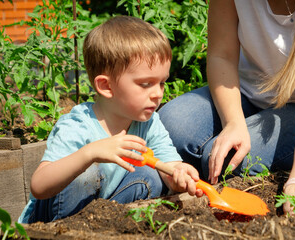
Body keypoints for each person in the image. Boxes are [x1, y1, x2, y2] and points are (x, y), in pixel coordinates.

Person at [159, 0, 295, 215]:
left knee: (227, 162)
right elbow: (221, 56)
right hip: (252, 94)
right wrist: (233, 122)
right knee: (172, 125)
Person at [18, 16, 203, 224]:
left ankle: (100, 229)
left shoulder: (149, 122)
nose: (157, 94)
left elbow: (167, 164)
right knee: (85, 171)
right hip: (50, 221)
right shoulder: (78, 125)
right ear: (106, 86)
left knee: (150, 175)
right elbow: (39, 186)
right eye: (145, 84)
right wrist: (90, 153)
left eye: (161, 83)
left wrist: (178, 176)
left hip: (100, 217)